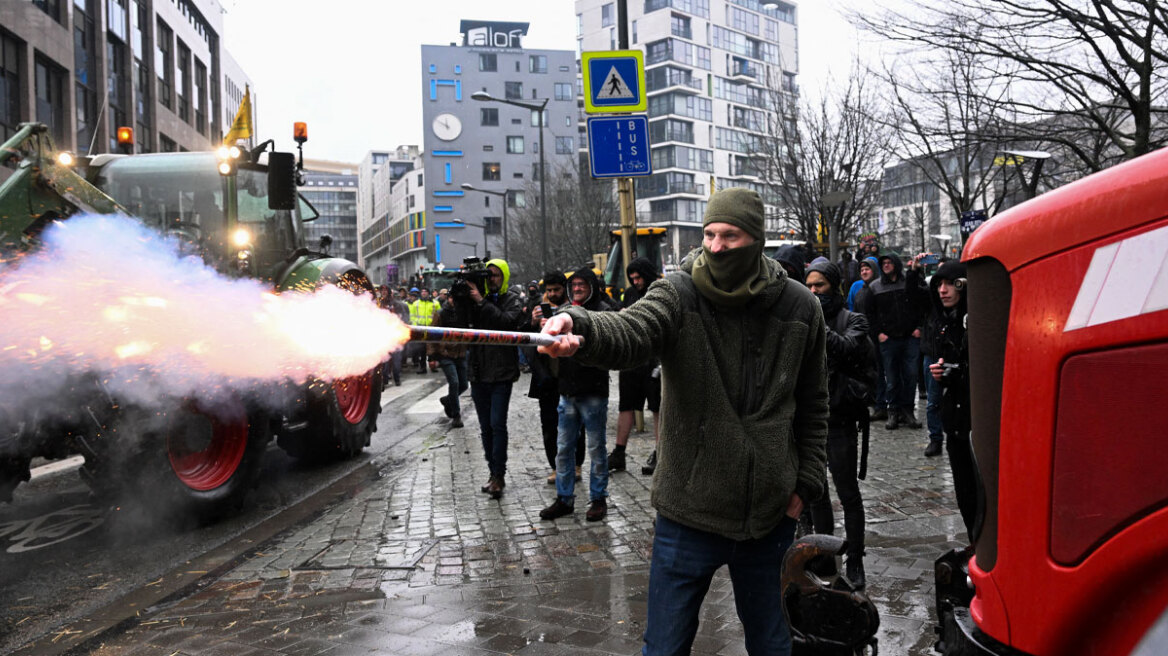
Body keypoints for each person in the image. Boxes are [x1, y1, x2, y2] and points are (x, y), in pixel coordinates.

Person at [539, 188, 828, 656]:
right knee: (665, 646)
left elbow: (814, 402)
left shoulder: (799, 306)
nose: (715, 247)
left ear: (755, 239)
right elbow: (632, 329)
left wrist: (806, 483)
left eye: (730, 236)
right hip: (687, 513)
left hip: (768, 515)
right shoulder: (679, 291)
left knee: (773, 643)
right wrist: (580, 325)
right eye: (709, 234)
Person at [804, 260, 876, 589]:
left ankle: (856, 558)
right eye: (810, 286)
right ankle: (824, 554)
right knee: (816, 494)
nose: (814, 292)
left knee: (848, 493)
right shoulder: (804, 321)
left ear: (834, 286)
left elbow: (848, 348)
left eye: (820, 285)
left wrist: (819, 324)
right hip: (811, 420)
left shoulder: (853, 320)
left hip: (841, 419)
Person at [539, 267, 619, 522]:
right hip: (567, 390)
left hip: (593, 390)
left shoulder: (604, 311)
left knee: (596, 447)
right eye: (573, 285)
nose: (577, 288)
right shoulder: (565, 312)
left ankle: (598, 499)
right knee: (564, 448)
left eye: (582, 284)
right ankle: (565, 498)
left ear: (592, 286)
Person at [927, 262, 978, 538]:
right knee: (965, 494)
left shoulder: (975, 319)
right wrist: (944, 373)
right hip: (955, 420)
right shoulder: (943, 322)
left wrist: (958, 373)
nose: (943, 291)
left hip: (975, 420)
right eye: (938, 285)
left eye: (948, 284)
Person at [465, 259, 523, 499]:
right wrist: (460, 299)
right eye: (487, 275)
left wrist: (481, 301)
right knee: (485, 427)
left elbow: (507, 322)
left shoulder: (512, 299)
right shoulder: (476, 300)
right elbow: (457, 322)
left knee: (497, 424)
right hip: (478, 372)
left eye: (496, 275)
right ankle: (492, 472)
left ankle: (499, 474)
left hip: (501, 373)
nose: (491, 280)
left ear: (504, 277)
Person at [526, 272, 585, 485]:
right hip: (546, 377)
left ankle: (577, 464)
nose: (552, 294)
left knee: (575, 423)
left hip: (570, 375)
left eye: (556, 290)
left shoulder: (575, 310)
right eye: (549, 291)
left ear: (564, 289)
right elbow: (526, 342)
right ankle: (555, 466)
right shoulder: (537, 307)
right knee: (549, 425)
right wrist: (534, 323)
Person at [609, 257, 662, 475]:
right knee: (626, 405)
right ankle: (619, 452)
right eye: (632, 277)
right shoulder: (630, 294)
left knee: (657, 407)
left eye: (638, 277)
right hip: (632, 359)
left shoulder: (658, 292)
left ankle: (660, 452)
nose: (635, 281)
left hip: (653, 358)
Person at [866, 252, 928, 430]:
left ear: (896, 264)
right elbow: (870, 314)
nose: (886, 265)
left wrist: (919, 328)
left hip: (910, 337)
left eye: (889, 262)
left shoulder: (909, 282)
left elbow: (921, 305)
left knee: (910, 376)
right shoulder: (875, 287)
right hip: (889, 339)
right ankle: (893, 411)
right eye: (883, 263)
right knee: (892, 378)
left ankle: (907, 410)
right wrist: (878, 333)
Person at [429, 297, 468, 428]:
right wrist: (432, 355)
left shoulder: (463, 312)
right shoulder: (440, 313)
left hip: (460, 352)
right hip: (445, 353)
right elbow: (431, 333)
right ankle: (456, 415)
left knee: (463, 384)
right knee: (454, 382)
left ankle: (448, 400)